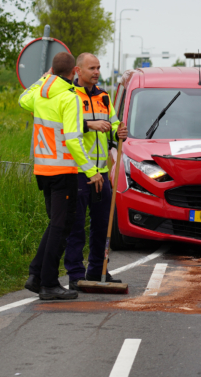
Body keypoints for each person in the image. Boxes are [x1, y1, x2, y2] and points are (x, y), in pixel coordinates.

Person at [19, 52, 103, 300]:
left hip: (43, 169)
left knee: (55, 224)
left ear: (51, 71)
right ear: (74, 72)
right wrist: (91, 171)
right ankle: (49, 284)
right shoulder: (70, 98)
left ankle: (36, 275)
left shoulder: (42, 90)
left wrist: (40, 79)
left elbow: (23, 100)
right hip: (63, 170)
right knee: (62, 225)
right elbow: (73, 139)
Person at [65, 53, 128, 290]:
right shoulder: (69, 96)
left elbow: (111, 125)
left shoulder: (103, 96)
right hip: (79, 171)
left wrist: (117, 132)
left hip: (102, 170)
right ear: (77, 71)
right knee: (77, 226)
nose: (96, 72)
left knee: (102, 224)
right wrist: (88, 125)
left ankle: (98, 269)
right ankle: (75, 274)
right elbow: (66, 128)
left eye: (99, 68)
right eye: (92, 68)